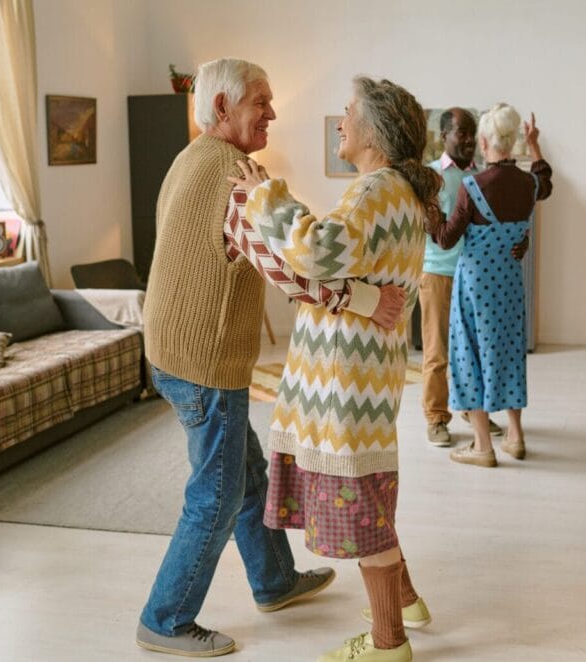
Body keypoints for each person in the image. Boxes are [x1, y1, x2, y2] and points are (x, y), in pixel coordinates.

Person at [138, 58, 407, 658]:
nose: (274, 113)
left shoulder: (192, 160)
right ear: (221, 109)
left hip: (177, 350)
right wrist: (366, 299)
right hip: (202, 361)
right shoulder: (232, 180)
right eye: (261, 101)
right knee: (216, 493)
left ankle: (274, 580)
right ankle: (165, 618)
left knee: (246, 472)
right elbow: (288, 271)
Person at [231, 76, 438, 662]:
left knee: (365, 510)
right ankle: (409, 603)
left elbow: (318, 252)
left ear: (374, 130)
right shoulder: (401, 193)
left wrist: (267, 197)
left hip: (346, 378)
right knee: (371, 496)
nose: (340, 121)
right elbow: (340, 269)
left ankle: (388, 642)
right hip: (365, 375)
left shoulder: (375, 191)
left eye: (348, 113)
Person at [427, 102, 553, 468]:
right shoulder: (530, 183)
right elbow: (546, 180)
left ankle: (482, 446)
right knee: (509, 353)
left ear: (484, 141)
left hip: (475, 284)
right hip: (510, 281)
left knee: (469, 357)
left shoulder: (473, 185)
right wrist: (534, 146)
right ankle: (516, 436)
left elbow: (446, 239)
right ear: (511, 141)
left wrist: (429, 212)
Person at [421, 108, 512, 447]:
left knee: (473, 351)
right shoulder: (430, 176)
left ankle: (473, 413)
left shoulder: (484, 177)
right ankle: (435, 418)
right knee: (437, 353)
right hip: (439, 275)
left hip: (476, 276)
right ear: (444, 135)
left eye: (473, 132)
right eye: (462, 132)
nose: (470, 139)